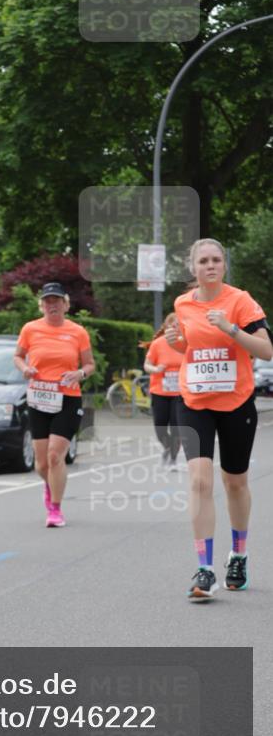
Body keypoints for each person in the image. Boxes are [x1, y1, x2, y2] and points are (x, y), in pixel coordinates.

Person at [165, 238, 272, 602]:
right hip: (194, 399)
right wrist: (176, 340)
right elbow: (188, 347)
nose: (210, 266)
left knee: (235, 482)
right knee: (199, 480)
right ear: (193, 269)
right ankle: (205, 568)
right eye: (203, 261)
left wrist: (231, 328)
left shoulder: (240, 301)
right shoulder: (182, 304)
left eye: (216, 260)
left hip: (236, 401)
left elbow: (266, 350)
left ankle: (238, 556)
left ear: (223, 265)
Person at [14, 283, 95, 528]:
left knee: (55, 455)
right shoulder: (30, 329)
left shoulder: (78, 332)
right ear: (42, 305)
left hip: (67, 398)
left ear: (66, 305)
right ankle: (50, 485)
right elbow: (17, 356)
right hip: (39, 396)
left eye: (57, 301)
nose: (53, 305)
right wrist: (25, 368)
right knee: (41, 463)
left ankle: (55, 509)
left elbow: (90, 364)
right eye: (48, 301)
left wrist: (79, 373)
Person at [143, 313, 184, 469]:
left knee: (176, 428)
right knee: (159, 426)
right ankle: (167, 447)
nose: (175, 328)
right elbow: (146, 365)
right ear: (166, 327)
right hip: (159, 391)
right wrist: (155, 369)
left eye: (178, 326)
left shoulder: (185, 344)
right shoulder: (158, 344)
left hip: (179, 393)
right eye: (172, 326)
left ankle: (173, 460)